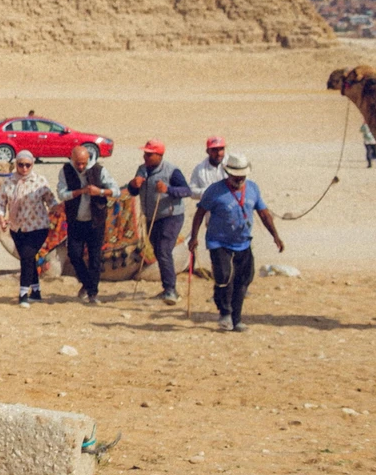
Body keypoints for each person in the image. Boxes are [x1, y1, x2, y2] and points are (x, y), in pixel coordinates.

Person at [187, 153, 285, 332]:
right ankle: (225, 313)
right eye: (235, 176)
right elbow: (200, 213)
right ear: (228, 173)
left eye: (242, 176)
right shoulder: (214, 191)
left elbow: (263, 213)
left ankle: (236, 318)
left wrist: (275, 236)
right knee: (225, 276)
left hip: (243, 242)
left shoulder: (253, 188)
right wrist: (194, 237)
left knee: (244, 279)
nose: (239, 179)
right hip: (219, 242)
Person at [124, 139, 192, 304]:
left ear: (159, 155)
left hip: (171, 216)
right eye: (145, 153)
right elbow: (133, 191)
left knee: (163, 250)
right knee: (157, 249)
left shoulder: (172, 171)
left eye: (149, 154)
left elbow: (186, 190)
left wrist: (168, 190)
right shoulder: (142, 169)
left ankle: (170, 290)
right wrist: (133, 184)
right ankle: (167, 288)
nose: (145, 157)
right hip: (151, 217)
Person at [0, 149, 59, 308]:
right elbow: (0, 203)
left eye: (27, 165)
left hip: (38, 227)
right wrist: (0, 217)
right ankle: (36, 292)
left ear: (32, 165)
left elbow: (51, 201)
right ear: (16, 165)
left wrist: (58, 208)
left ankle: (23, 294)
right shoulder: (9, 183)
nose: (24, 169)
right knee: (27, 258)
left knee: (28, 256)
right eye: (20, 165)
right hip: (17, 228)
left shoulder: (40, 181)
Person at [56, 143, 116, 304]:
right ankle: (88, 284)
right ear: (72, 160)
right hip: (76, 220)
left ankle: (92, 293)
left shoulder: (99, 170)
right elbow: (61, 194)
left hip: (95, 221)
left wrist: (100, 191)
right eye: (78, 163)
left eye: (83, 163)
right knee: (74, 254)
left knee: (95, 257)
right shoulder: (66, 171)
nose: (81, 166)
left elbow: (115, 190)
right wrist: (80, 192)